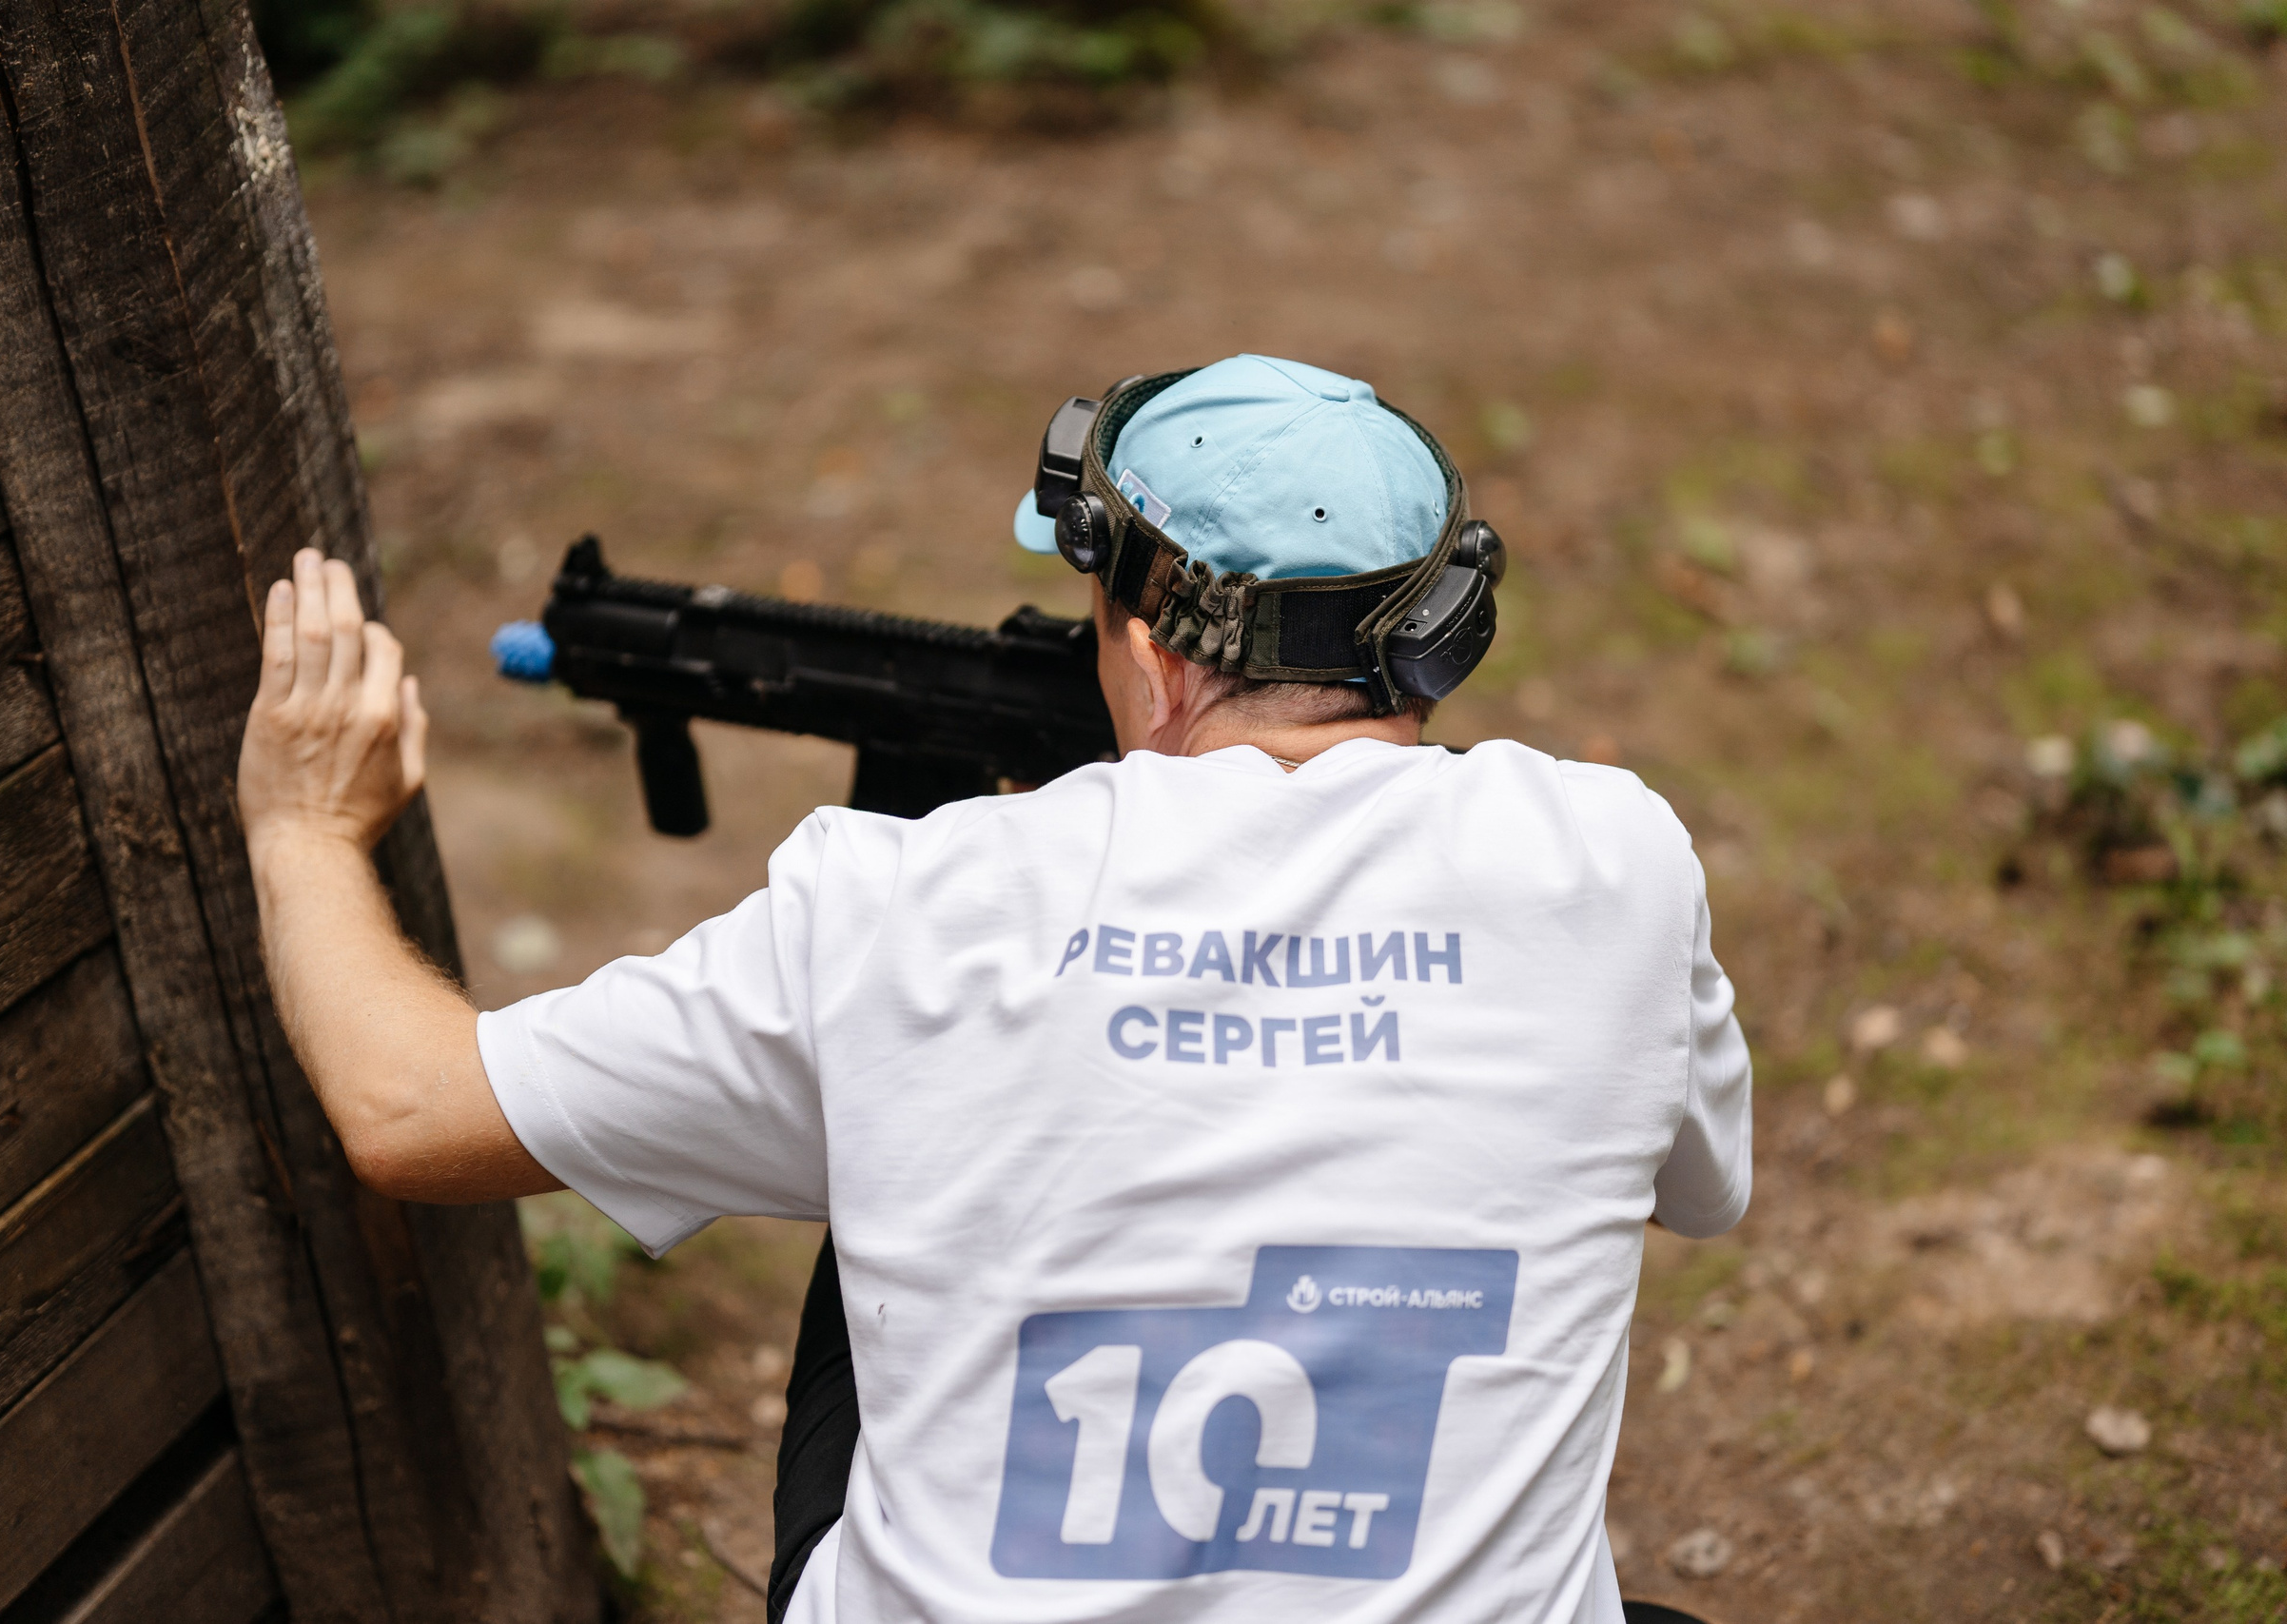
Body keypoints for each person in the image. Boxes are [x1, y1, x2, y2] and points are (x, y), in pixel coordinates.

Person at [238, 354, 1751, 1624]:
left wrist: (303, 827)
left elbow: (405, 1107)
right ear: (1432, 641)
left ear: (1149, 659)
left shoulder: (903, 906)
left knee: (878, 1126)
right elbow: (1700, 1193)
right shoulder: (1613, 864)